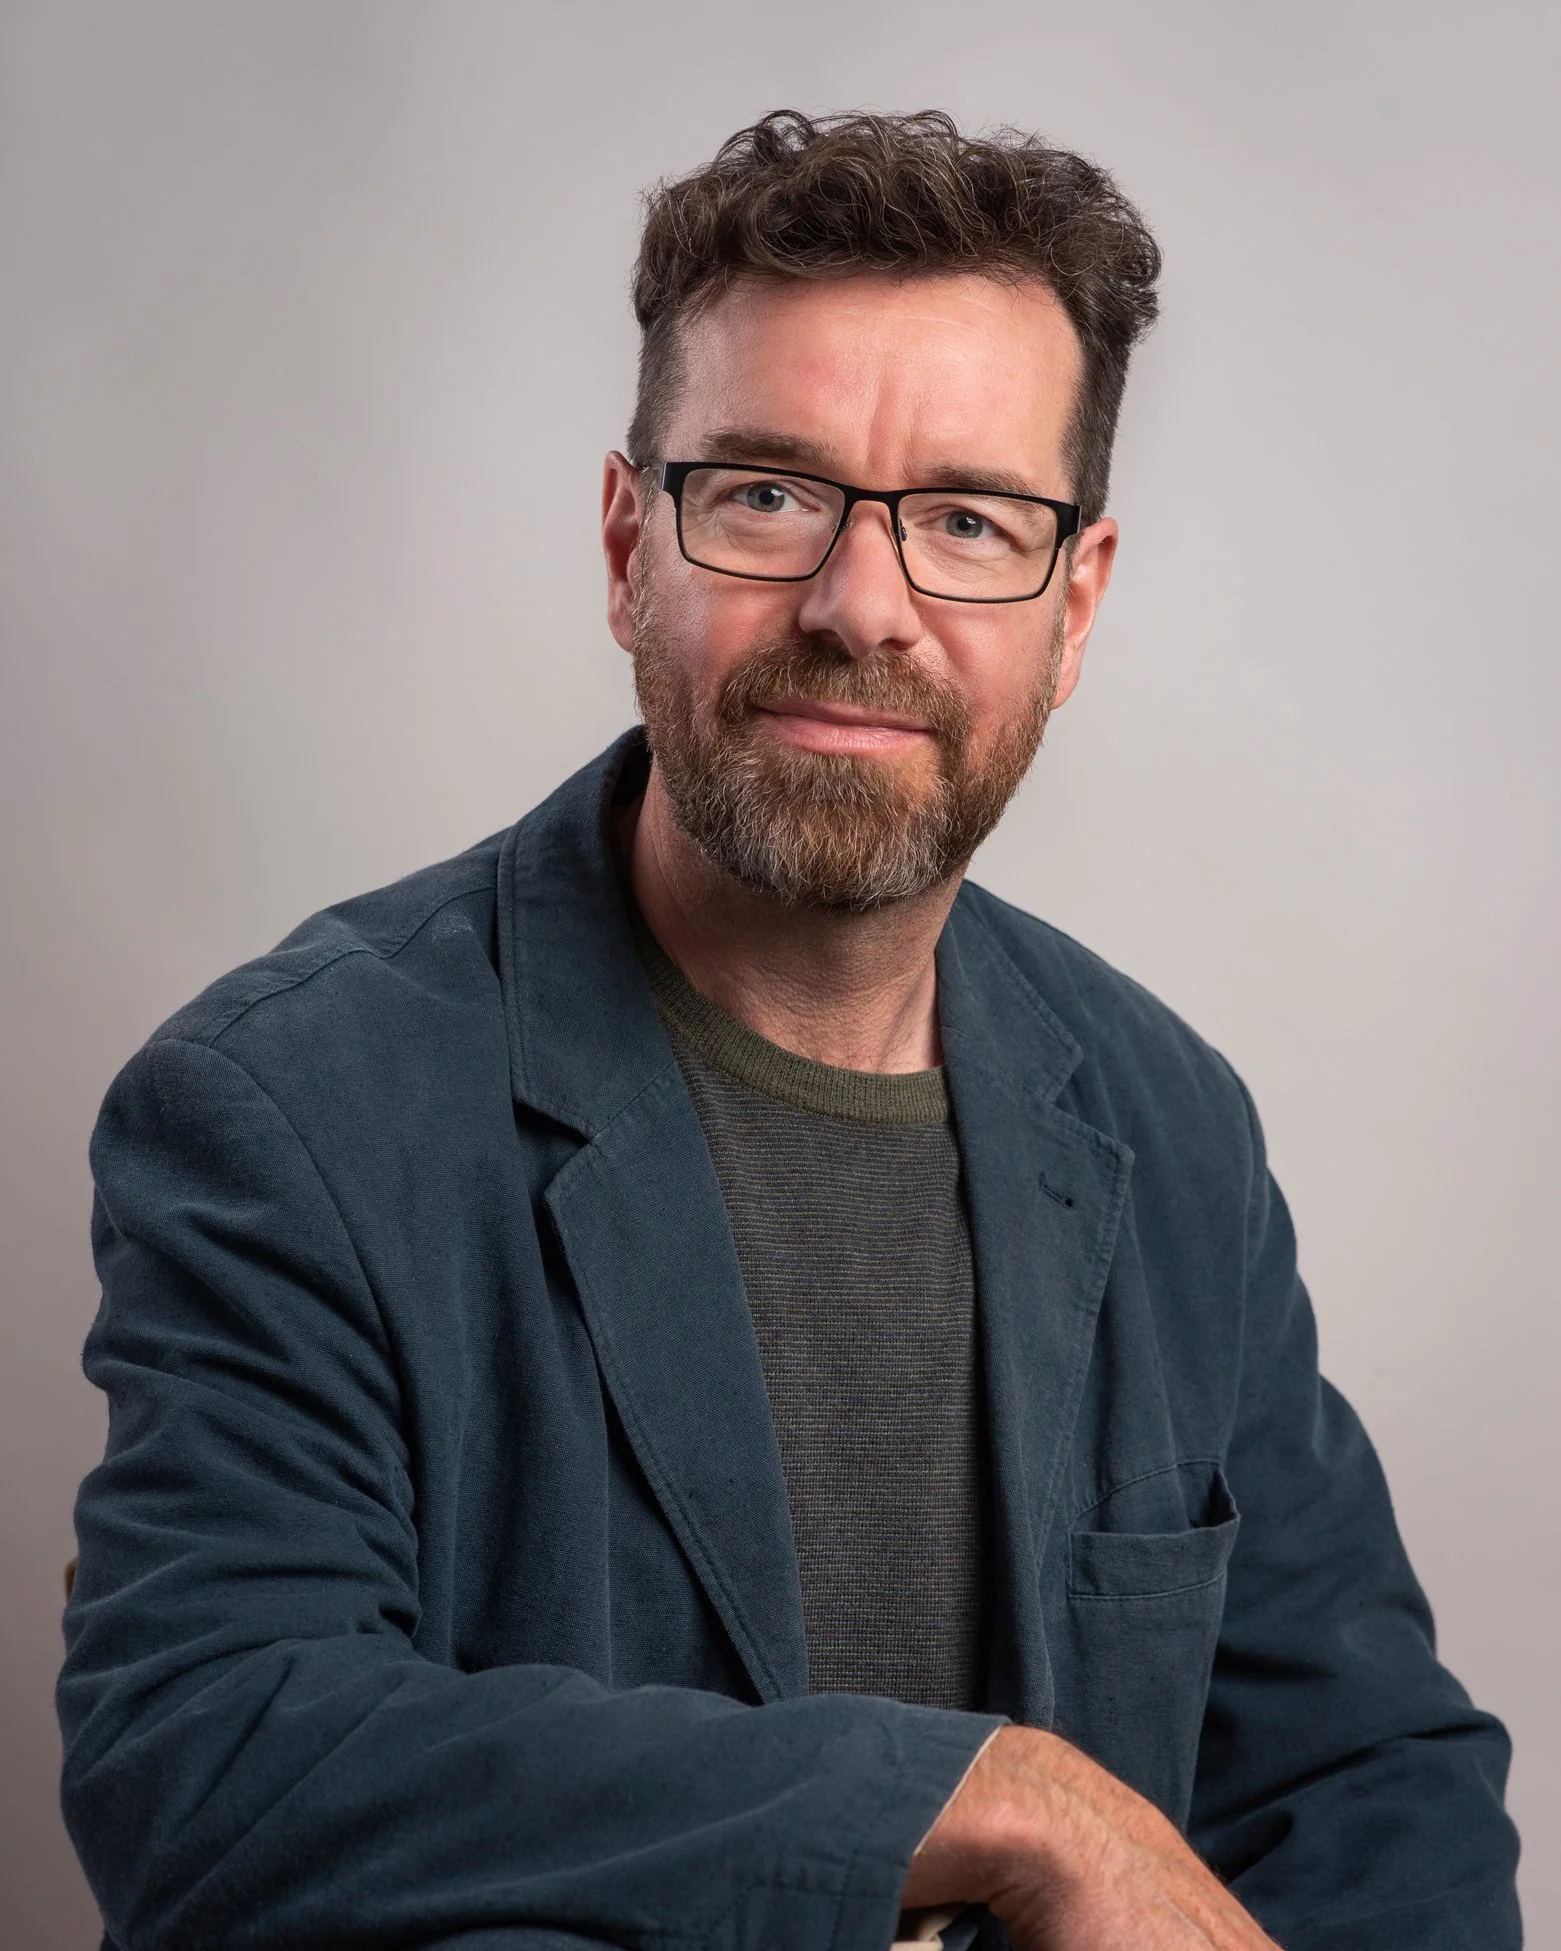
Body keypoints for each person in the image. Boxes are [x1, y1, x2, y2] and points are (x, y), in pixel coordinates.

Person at [59, 110, 1520, 1951]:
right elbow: (212, 1765)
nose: (862, 606)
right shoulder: (290, 1108)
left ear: (1075, 610)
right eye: (767, 492)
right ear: (624, 546)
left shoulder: (1173, 1129)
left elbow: (1373, 1788)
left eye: (971, 521)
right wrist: (992, 1799)